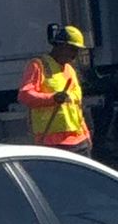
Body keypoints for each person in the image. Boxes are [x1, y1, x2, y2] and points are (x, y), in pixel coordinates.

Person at [18, 22, 92, 151]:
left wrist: (86, 135)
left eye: (77, 50)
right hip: (52, 143)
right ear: (60, 46)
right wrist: (52, 98)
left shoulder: (70, 70)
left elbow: (77, 107)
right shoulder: (38, 66)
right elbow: (24, 96)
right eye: (72, 49)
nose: (75, 55)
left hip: (79, 141)